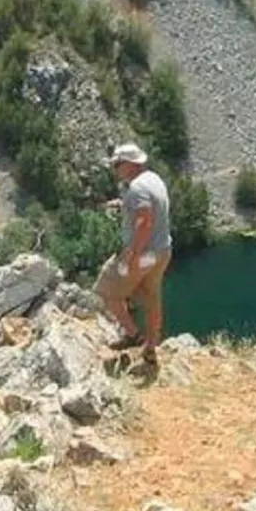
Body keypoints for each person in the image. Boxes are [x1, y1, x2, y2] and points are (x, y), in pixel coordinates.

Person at [94, 142, 172, 366]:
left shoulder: (137, 188)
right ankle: (151, 345)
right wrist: (122, 205)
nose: (115, 169)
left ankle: (132, 335)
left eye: (117, 164)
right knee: (151, 297)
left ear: (130, 164)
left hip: (142, 255)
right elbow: (151, 211)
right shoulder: (154, 179)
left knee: (106, 289)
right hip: (162, 251)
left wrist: (133, 254)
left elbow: (144, 221)